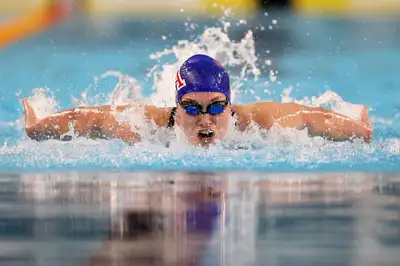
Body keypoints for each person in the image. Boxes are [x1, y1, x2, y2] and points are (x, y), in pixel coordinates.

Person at [22, 54, 373, 146]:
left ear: (230, 106)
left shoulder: (259, 123)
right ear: (177, 108)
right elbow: (92, 118)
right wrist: (38, 127)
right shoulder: (146, 126)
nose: (205, 119)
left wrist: (359, 128)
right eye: (191, 107)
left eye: (216, 106)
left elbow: (312, 118)